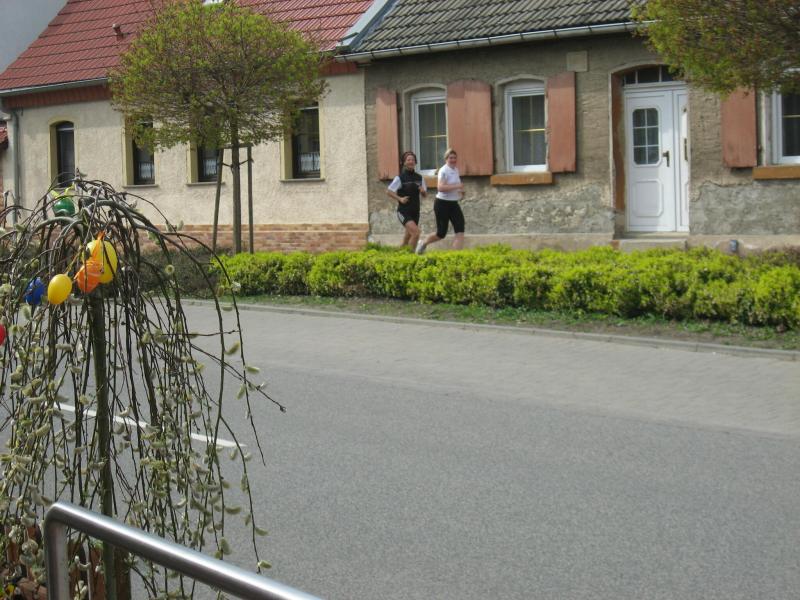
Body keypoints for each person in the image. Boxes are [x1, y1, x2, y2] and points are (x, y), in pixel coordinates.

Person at [416, 148, 465, 254]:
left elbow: (456, 186)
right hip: (442, 204)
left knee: (460, 230)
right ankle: (423, 243)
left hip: (453, 204)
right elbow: (440, 188)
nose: (453, 160)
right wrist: (457, 186)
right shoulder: (443, 170)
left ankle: (454, 257)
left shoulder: (455, 170)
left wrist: (461, 192)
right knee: (441, 233)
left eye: (455, 158)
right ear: (446, 159)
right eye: (450, 158)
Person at [387, 151, 427, 249]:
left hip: (415, 212)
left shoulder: (419, 178)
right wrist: (400, 198)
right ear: (404, 162)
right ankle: (410, 255)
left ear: (415, 162)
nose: (411, 161)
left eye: (413, 160)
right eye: (408, 160)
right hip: (403, 211)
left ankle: (399, 253)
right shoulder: (400, 178)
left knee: (407, 238)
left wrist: (423, 192)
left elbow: (425, 195)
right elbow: (389, 191)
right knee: (416, 233)